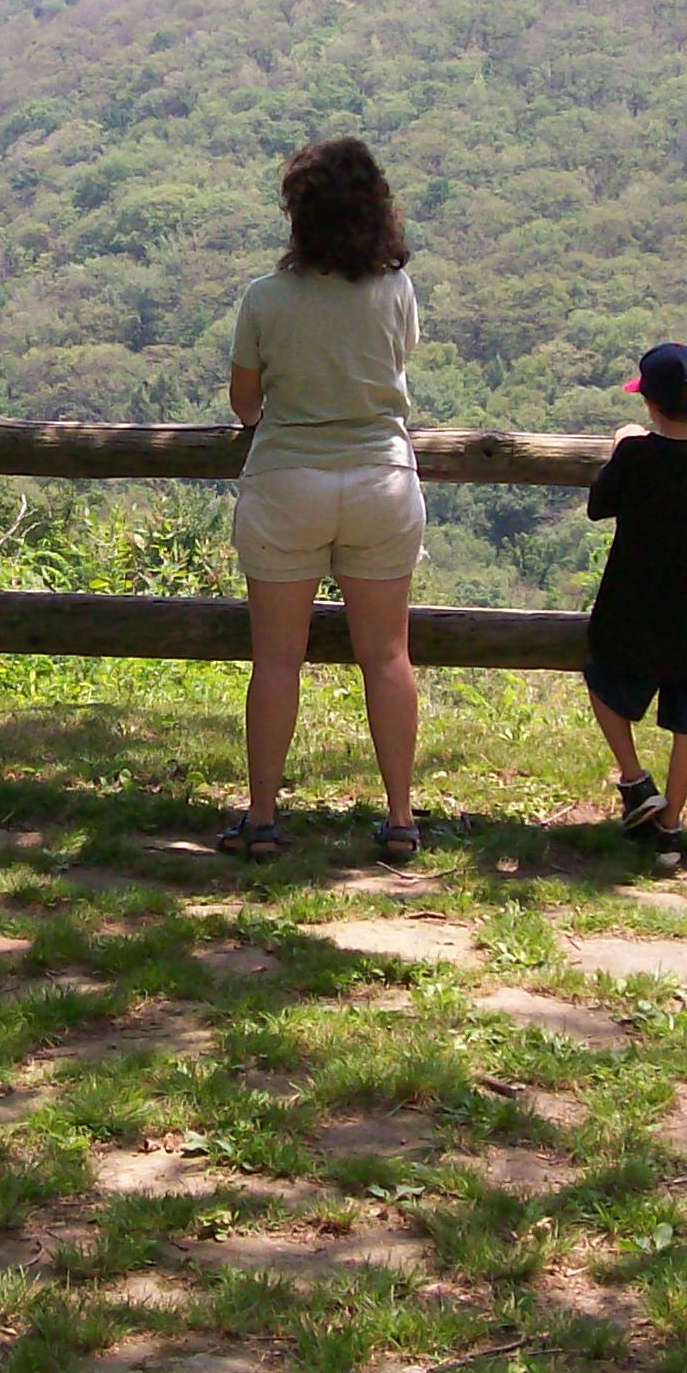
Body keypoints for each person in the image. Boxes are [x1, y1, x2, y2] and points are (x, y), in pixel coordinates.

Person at [220, 137, 427, 865]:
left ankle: (264, 817)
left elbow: (247, 405)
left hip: (286, 484)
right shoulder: (395, 290)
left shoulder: (265, 299)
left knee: (277, 660)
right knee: (388, 655)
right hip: (381, 480)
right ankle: (400, 817)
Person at [582, 341, 687, 870]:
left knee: (602, 680)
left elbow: (598, 505)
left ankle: (635, 782)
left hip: (633, 607)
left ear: (649, 404)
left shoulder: (636, 454)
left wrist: (621, 446)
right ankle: (671, 828)